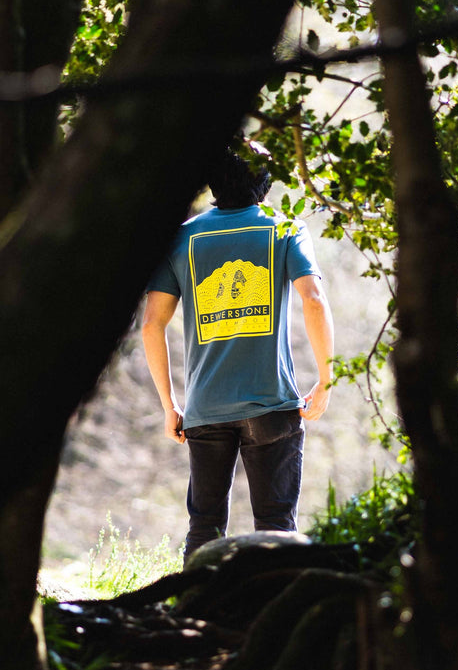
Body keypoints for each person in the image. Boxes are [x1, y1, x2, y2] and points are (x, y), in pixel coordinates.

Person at [141, 145, 334, 561]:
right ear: (264, 182)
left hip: (205, 409)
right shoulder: (283, 229)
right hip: (272, 404)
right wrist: (325, 381)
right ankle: (274, 616)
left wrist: (169, 405)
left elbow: (150, 323)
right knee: (277, 526)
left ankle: (195, 611)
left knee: (205, 526)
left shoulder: (182, 237)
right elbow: (314, 299)